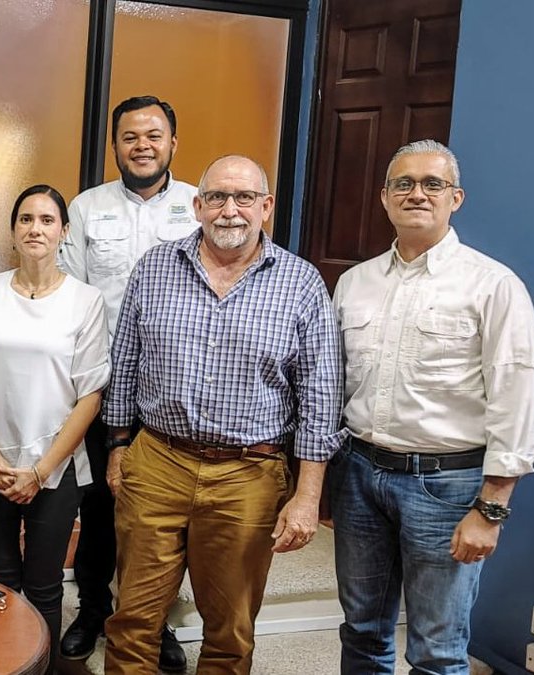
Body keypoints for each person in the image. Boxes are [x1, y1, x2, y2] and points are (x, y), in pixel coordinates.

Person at [102, 155, 344, 674]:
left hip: (249, 474)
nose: (229, 210)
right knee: (133, 620)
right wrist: (119, 447)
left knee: (231, 630)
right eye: (216, 197)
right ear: (198, 205)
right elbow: (124, 361)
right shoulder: (156, 267)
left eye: (243, 198)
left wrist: (307, 495)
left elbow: (320, 395)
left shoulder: (300, 283)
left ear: (266, 206)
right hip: (158, 459)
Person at [331, 140, 534, 674]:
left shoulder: (492, 286)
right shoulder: (354, 284)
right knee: (361, 629)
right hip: (358, 475)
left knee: (438, 646)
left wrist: (491, 509)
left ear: (457, 197)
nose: (417, 194)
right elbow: (332, 384)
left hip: (446, 487)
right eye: (403, 183)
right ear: (384, 197)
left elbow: (516, 398)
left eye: (432, 184)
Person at [58, 94, 199, 672]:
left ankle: (152, 618)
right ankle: (93, 609)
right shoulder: (87, 208)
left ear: (172, 142)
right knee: (95, 508)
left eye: (153, 135)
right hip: (101, 387)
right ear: (114, 145)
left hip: (174, 391)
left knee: (165, 518)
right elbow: (71, 302)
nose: (142, 145)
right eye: (130, 137)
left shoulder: (201, 205)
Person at [0, 185, 110, 673]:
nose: (35, 228)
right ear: (13, 230)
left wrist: (41, 470)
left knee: (44, 586)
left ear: (64, 231)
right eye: (26, 219)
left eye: (47, 219)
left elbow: (91, 395)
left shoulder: (86, 300)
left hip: (57, 469)